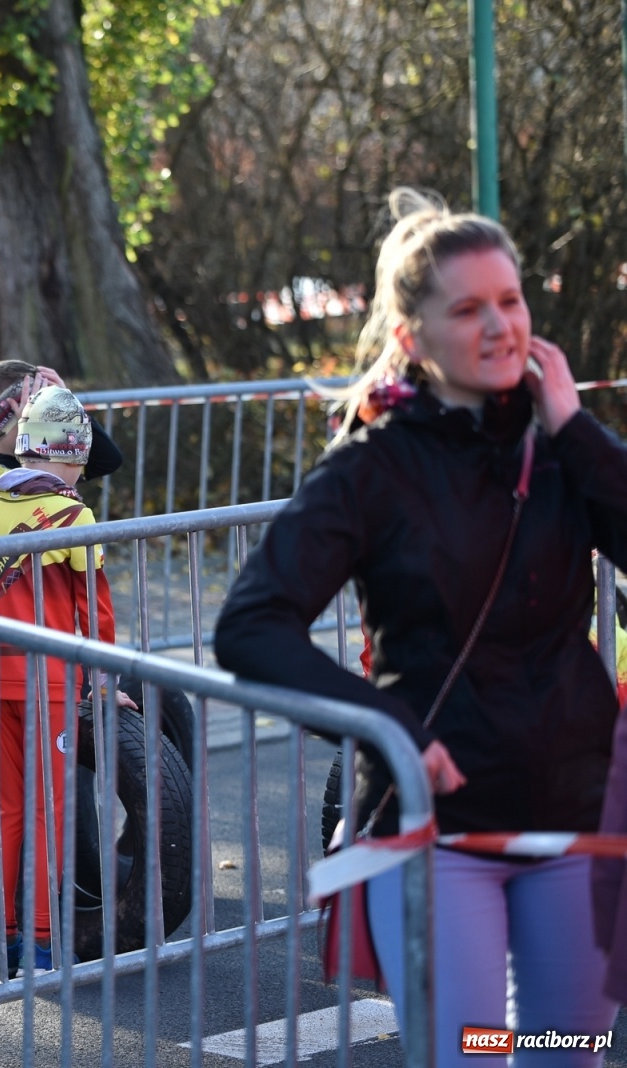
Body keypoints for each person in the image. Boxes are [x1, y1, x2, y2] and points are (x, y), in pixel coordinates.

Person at [213, 188, 627, 1066]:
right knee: (470, 1052)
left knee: (568, 1052)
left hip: (574, 812)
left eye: (510, 301)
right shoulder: (372, 467)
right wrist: (394, 729)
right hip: (438, 825)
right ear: (413, 337)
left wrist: (577, 429)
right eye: (468, 308)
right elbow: (253, 625)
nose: (498, 326)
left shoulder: (563, 448)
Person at [0, 384, 108, 979]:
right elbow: (93, 609)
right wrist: (102, 681)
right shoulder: (75, 514)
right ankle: (45, 950)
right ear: (68, 456)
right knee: (51, 812)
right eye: (78, 463)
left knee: (6, 811)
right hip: (49, 682)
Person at [0, 359, 123, 506]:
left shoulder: (47, 458)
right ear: (4, 418)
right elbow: (35, 499)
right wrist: (30, 430)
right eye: (40, 408)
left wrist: (69, 407)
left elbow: (108, 460)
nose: (51, 417)